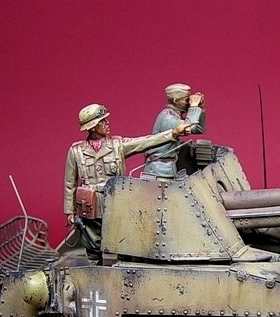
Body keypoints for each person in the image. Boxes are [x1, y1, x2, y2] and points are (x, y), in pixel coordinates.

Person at [64, 103, 191, 264]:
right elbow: (70, 183)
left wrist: (172, 133)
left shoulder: (118, 146)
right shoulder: (76, 151)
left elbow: (145, 142)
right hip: (90, 203)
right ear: (93, 127)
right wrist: (70, 212)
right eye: (103, 121)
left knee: (122, 239)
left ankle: (122, 269)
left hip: (116, 200)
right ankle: (95, 270)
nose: (107, 123)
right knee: (92, 242)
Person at [143, 83, 206, 179]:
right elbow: (188, 127)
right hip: (159, 170)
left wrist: (199, 108)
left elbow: (198, 129)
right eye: (186, 100)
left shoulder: (175, 115)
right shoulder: (167, 117)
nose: (188, 102)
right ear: (176, 101)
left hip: (169, 167)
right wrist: (193, 106)